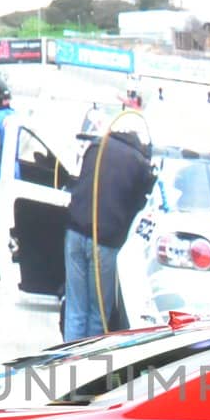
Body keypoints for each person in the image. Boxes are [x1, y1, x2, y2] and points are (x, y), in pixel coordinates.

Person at [64, 123, 154, 339]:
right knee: (98, 313)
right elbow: (138, 206)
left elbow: (80, 182)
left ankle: (67, 360)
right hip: (105, 242)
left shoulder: (97, 146)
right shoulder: (139, 163)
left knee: (75, 309)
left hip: (75, 233)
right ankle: (90, 365)